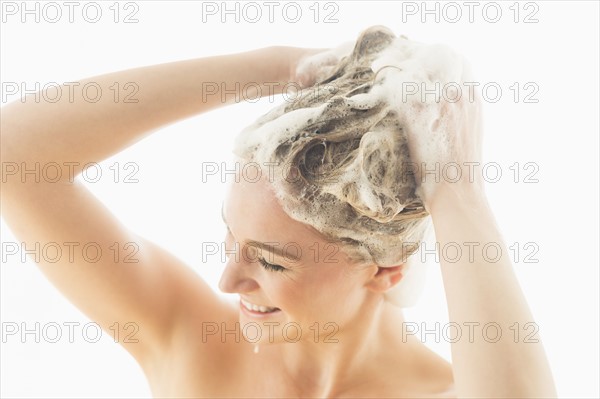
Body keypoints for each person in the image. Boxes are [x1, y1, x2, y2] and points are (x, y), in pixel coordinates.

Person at [0, 26, 556, 398]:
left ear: (388, 268)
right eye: (230, 238)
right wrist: (283, 67)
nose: (226, 279)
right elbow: (15, 156)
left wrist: (456, 188)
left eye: (272, 262)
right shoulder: (193, 346)